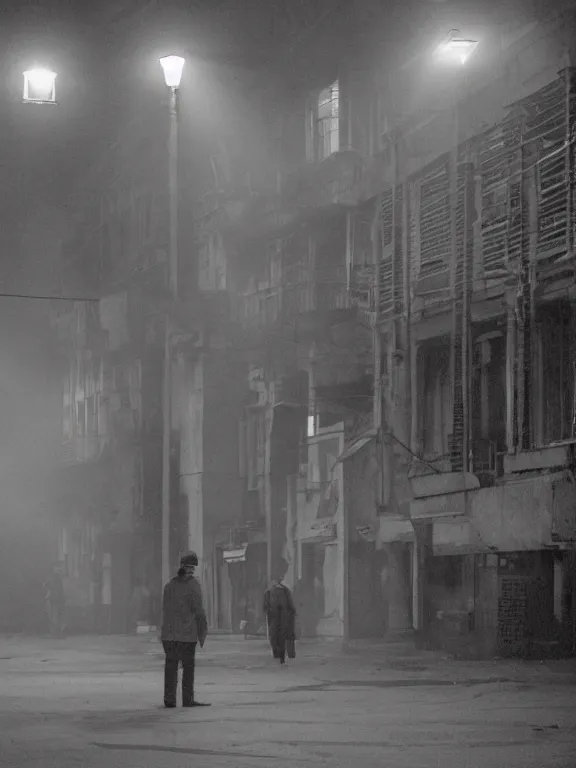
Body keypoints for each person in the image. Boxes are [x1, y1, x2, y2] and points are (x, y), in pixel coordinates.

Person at [160, 551, 210, 708]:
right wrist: (202, 632)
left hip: (169, 635)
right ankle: (187, 700)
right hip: (186, 635)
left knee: (171, 667)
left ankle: (169, 699)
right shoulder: (193, 585)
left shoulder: (169, 585)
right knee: (188, 668)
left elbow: (164, 609)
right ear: (192, 569)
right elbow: (199, 611)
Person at [263, 577, 296, 665]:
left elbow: (265, 607)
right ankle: (282, 656)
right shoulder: (285, 591)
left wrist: (268, 611)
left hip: (274, 618)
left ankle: (278, 655)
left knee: (275, 637)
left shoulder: (269, 592)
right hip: (282, 618)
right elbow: (291, 606)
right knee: (282, 637)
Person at [44, 563, 65, 637]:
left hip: (56, 599)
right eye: (58, 569)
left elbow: (47, 584)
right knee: (55, 616)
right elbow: (47, 585)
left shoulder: (55, 578)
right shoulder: (55, 578)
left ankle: (55, 632)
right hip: (55, 599)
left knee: (55, 616)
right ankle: (55, 632)